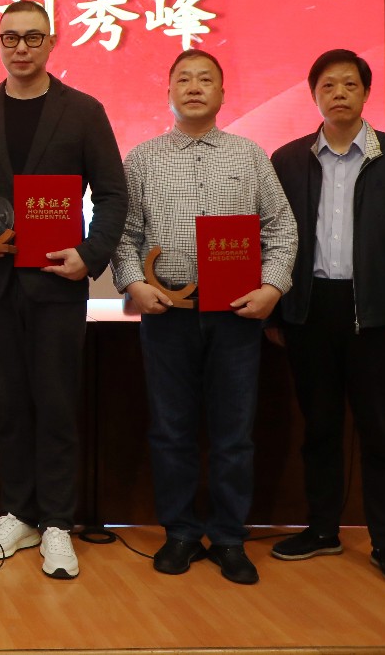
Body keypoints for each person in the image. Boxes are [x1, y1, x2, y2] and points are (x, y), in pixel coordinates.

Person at [0, 0, 127, 580]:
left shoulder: (84, 111)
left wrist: (89, 256)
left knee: (55, 404)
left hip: (56, 283)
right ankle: (19, 513)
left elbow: (113, 194)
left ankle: (57, 523)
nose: (20, 47)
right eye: (10, 38)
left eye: (32, 37)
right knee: (9, 404)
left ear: (51, 43)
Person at [112, 49, 296, 585]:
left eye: (206, 80)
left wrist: (272, 287)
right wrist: (134, 284)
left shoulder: (249, 155)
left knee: (234, 433)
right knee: (171, 429)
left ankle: (230, 537)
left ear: (222, 93)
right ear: (168, 91)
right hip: (167, 314)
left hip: (236, 316)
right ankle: (181, 533)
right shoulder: (142, 159)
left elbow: (281, 228)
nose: (194, 87)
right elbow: (124, 235)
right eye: (184, 80)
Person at [268, 49, 385, 590]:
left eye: (349, 85)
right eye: (328, 86)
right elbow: (273, 238)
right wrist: (278, 310)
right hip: (310, 310)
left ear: (366, 93)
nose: (338, 93)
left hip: (375, 315)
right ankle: (322, 530)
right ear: (314, 95)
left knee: (379, 432)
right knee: (319, 428)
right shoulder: (288, 160)